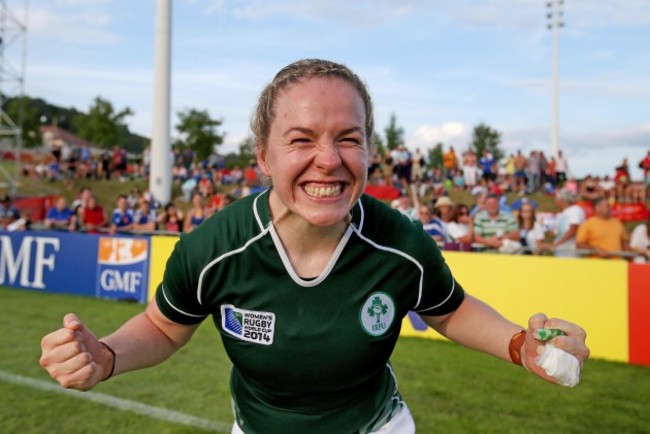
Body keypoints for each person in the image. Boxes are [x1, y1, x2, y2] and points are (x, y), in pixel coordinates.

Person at [39, 59, 589, 434]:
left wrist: (524, 344)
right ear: (263, 155)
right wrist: (106, 354)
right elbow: (163, 327)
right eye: (301, 140)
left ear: (370, 150)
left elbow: (450, 309)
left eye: (348, 138)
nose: (328, 160)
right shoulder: (212, 249)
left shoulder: (399, 242)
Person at [539, 188, 586, 258]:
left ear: (561, 200)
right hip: (561, 250)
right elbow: (561, 231)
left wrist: (556, 244)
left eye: (556, 199)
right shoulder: (562, 214)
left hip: (571, 250)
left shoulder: (575, 209)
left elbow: (573, 228)